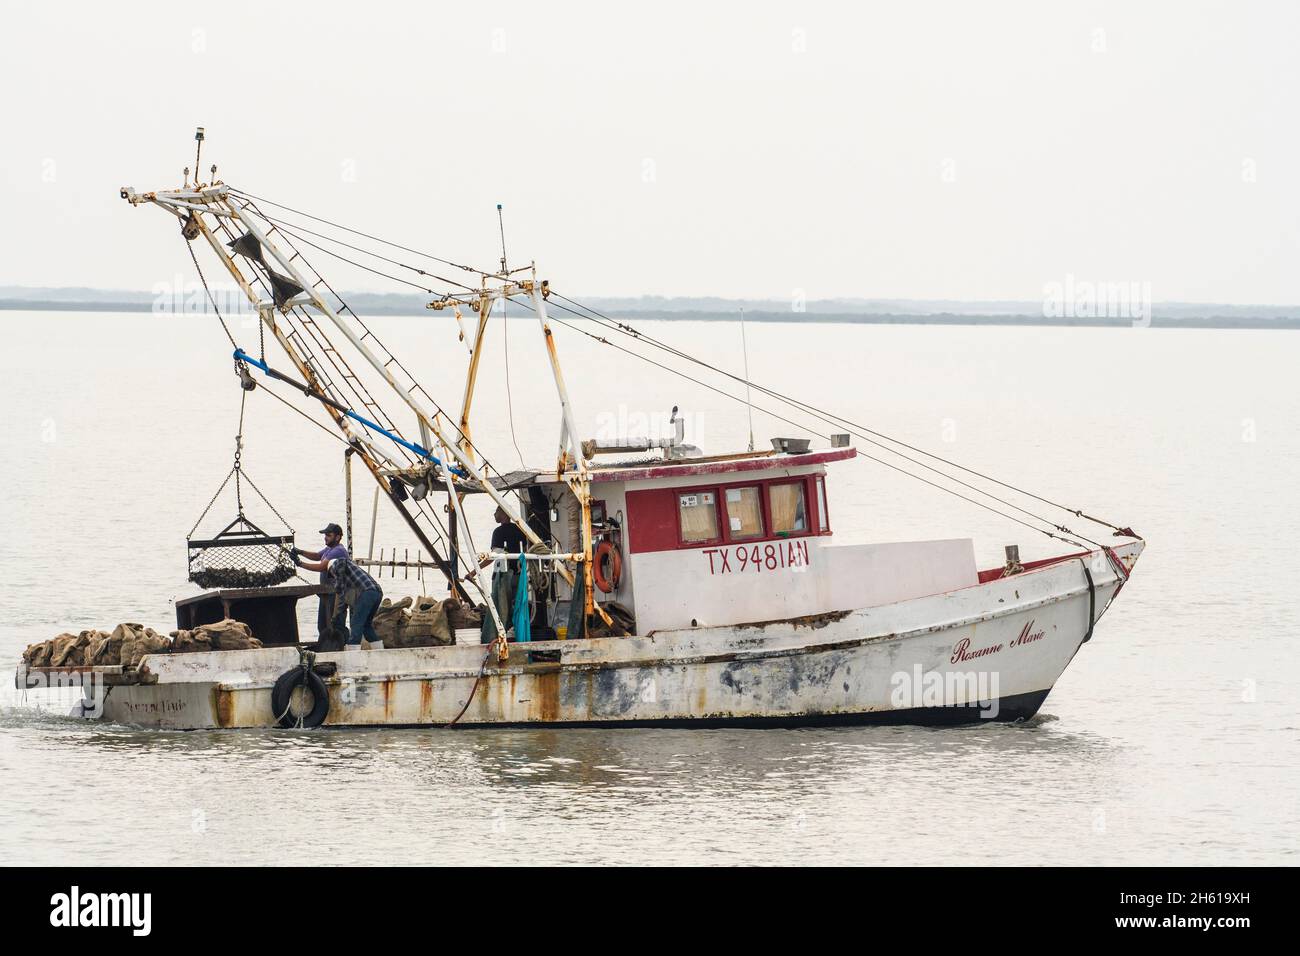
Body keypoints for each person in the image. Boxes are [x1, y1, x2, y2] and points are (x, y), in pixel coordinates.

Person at [294, 551, 385, 649]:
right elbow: (342, 601)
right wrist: (336, 616)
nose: (333, 577)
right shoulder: (350, 572)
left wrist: (335, 615)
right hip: (377, 593)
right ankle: (379, 650)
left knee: (356, 623)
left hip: (367, 593)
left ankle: (353, 652)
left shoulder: (338, 564)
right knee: (366, 625)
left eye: (331, 575)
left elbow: (339, 588)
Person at [468, 507, 529, 643]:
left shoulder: (499, 532)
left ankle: (499, 637)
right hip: (519, 576)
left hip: (503, 578)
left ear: (503, 514)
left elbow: (493, 556)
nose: (494, 514)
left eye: (496, 512)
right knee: (517, 607)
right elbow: (524, 552)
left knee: (501, 608)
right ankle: (517, 635)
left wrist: (473, 572)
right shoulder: (520, 530)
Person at [298, 523, 350, 640]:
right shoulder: (329, 548)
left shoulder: (338, 551)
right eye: (325, 535)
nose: (325, 537)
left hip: (336, 594)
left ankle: (343, 645)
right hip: (326, 593)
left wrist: (300, 564)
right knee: (322, 626)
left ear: (337, 537)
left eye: (329, 535)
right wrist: (300, 552)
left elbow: (322, 567)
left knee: (335, 624)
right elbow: (317, 556)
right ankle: (329, 646)